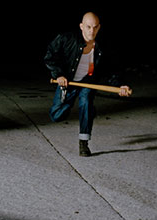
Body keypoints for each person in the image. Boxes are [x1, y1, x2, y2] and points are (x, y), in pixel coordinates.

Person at [44, 12, 131, 157]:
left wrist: (120, 85)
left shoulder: (103, 46)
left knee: (86, 102)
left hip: (88, 82)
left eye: (95, 27)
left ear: (99, 27)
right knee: (57, 115)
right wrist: (59, 75)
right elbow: (49, 56)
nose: (92, 31)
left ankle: (83, 143)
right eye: (88, 27)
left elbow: (112, 69)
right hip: (68, 81)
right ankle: (86, 111)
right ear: (81, 26)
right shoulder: (67, 39)